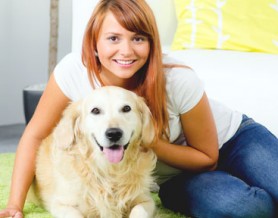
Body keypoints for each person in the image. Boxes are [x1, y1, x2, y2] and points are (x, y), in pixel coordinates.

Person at [1, 0, 277, 217]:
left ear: (151, 43)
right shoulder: (74, 71)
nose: (126, 50)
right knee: (250, 209)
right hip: (179, 175)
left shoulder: (178, 78)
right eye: (113, 38)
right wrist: (15, 204)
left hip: (233, 140)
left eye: (138, 38)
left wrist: (148, 140)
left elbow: (208, 156)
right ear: (94, 42)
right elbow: (36, 136)